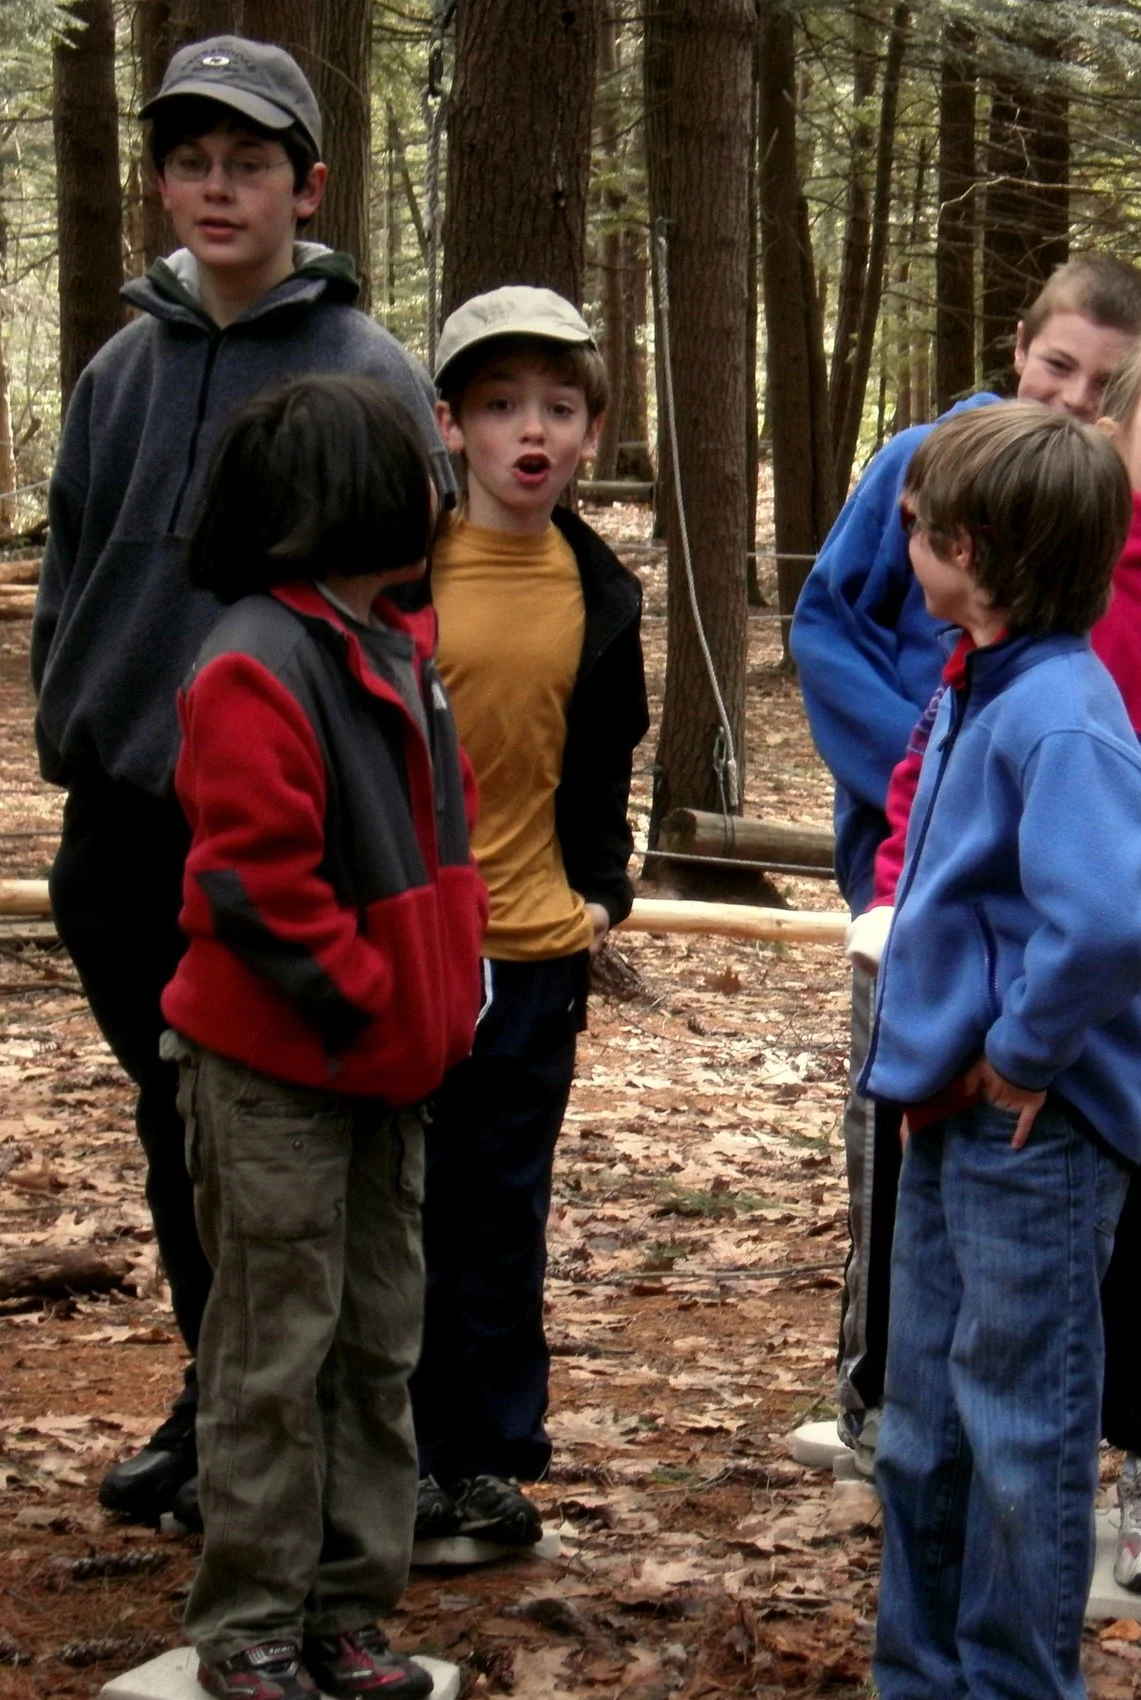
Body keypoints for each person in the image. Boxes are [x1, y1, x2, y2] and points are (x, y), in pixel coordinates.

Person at [31, 34, 451, 1530]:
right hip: (131, 819)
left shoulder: (367, 370)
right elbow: (71, 561)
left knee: (304, 1144)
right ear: (161, 185)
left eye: (251, 164)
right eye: (193, 163)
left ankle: (324, 1435)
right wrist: (69, 720)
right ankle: (217, 1403)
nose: (220, 189)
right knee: (184, 1127)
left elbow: (413, 602)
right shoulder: (122, 369)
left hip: (299, 838)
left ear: (307, 187)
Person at [794, 256, 1141, 1481]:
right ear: (1018, 345)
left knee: (1000, 1197)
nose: (1074, 397)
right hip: (910, 878)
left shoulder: (1087, 521)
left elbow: (1097, 865)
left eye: (1105, 383)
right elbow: (825, 627)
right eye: (1058, 365)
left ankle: (969, 1461)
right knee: (898, 1132)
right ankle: (883, 1400)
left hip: (1035, 919)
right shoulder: (931, 462)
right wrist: (923, 804)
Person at [848, 401, 1141, 1700]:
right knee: (922, 1419)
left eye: (921, 527)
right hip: (945, 1109)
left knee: (1018, 1420)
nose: (906, 541)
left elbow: (1102, 920)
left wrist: (1024, 1051)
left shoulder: (1060, 714)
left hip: (1030, 1129)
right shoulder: (976, 680)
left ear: (974, 551)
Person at [161, 375, 485, 1700]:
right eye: (413, 469)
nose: (435, 489)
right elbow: (254, 881)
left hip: (387, 1073)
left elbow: (448, 841)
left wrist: (449, 990)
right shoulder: (256, 658)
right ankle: (249, 1620)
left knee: (374, 1343)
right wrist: (368, 995)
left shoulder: (396, 644)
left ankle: (348, 1602)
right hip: (280, 1077)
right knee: (272, 1349)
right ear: (343, 496)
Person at [408, 287, 647, 1551]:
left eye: (558, 407)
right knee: (404, 1207)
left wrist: (601, 894)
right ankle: (396, 1450)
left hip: (537, 954)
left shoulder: (600, 591)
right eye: (501, 405)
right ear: (451, 424)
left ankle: (490, 1458)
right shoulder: (398, 568)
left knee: (500, 1213)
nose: (531, 431)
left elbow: (599, 760)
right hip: (410, 949)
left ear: (592, 433)